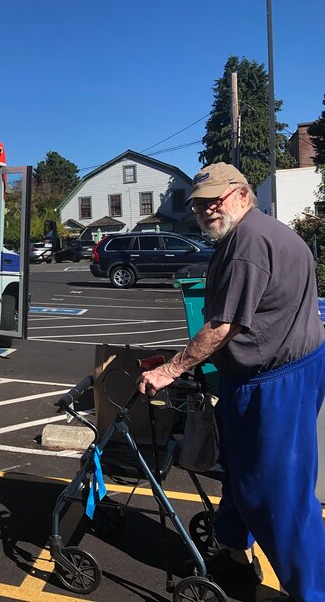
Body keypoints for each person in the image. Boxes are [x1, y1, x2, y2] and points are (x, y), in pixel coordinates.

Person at [137, 162, 325, 601]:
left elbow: (223, 327)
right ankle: (237, 559)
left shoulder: (248, 244)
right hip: (275, 371)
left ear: (242, 194)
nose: (205, 211)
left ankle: (312, 592)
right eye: (199, 205)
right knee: (242, 473)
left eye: (214, 201)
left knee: (279, 493)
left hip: (276, 382)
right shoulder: (251, 233)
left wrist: (170, 370)